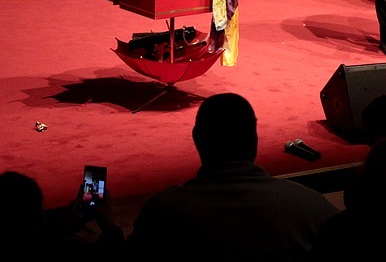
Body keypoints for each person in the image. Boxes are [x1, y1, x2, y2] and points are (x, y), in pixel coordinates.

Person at [127, 93, 339, 260]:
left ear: (197, 138)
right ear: (254, 139)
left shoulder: (162, 212)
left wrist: (110, 226)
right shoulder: (308, 206)